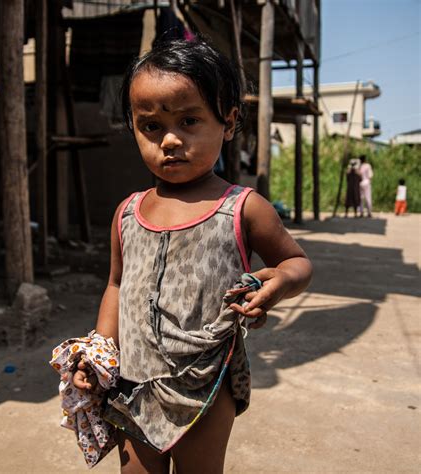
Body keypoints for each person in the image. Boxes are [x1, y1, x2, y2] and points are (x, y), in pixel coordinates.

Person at [70, 39, 313, 473]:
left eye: (188, 120)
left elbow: (297, 263)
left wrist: (281, 283)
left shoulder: (242, 208)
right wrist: (98, 351)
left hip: (206, 382)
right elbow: (117, 285)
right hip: (132, 384)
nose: (169, 139)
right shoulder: (127, 212)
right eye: (150, 126)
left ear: (229, 122)